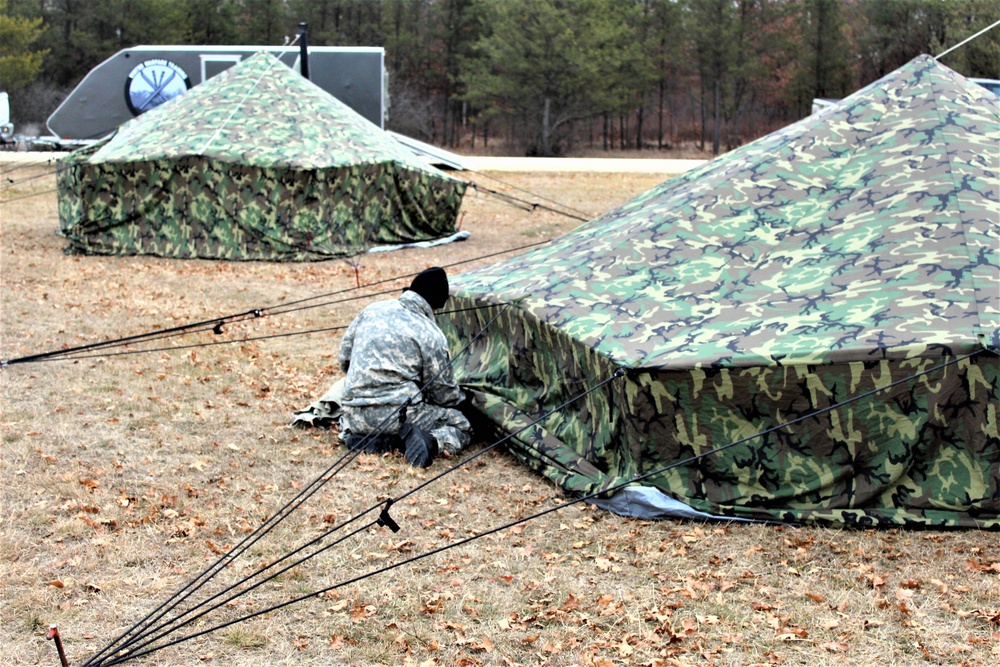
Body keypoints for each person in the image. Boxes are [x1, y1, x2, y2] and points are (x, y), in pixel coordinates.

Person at [337, 267, 471, 467]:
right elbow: (443, 394)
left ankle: (376, 440)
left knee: (372, 419)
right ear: (435, 304)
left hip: (353, 415)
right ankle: (431, 442)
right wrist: (465, 402)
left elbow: (344, 359)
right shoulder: (430, 333)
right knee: (461, 424)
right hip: (397, 417)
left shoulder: (371, 310)